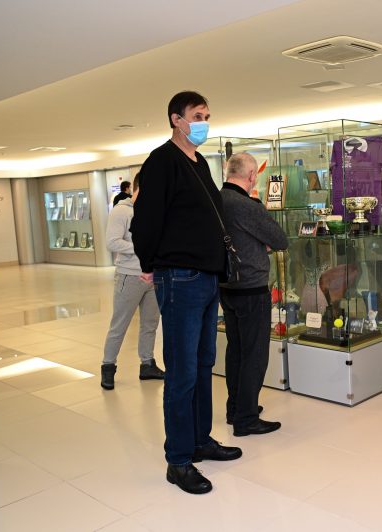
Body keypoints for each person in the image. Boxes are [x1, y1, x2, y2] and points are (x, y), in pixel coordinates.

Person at [131, 91, 241, 495]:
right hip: (179, 277)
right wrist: (149, 263)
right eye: (197, 116)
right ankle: (178, 460)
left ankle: (199, 439)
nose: (204, 123)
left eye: (207, 115)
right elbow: (145, 221)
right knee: (181, 371)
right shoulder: (162, 162)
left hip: (207, 277)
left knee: (203, 362)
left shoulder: (200, 162)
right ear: (177, 120)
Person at [220, 152, 288, 436]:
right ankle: (246, 418)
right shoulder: (247, 205)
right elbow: (280, 240)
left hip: (226, 286)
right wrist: (263, 244)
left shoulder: (217, 199)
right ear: (251, 176)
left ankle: (235, 408)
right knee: (254, 354)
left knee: (235, 349)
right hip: (251, 287)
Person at [101, 172, 163, 390]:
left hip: (153, 277)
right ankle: (108, 366)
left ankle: (147, 364)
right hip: (129, 276)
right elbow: (112, 242)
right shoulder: (121, 211)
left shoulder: (152, 210)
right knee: (120, 324)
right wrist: (142, 246)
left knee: (150, 323)